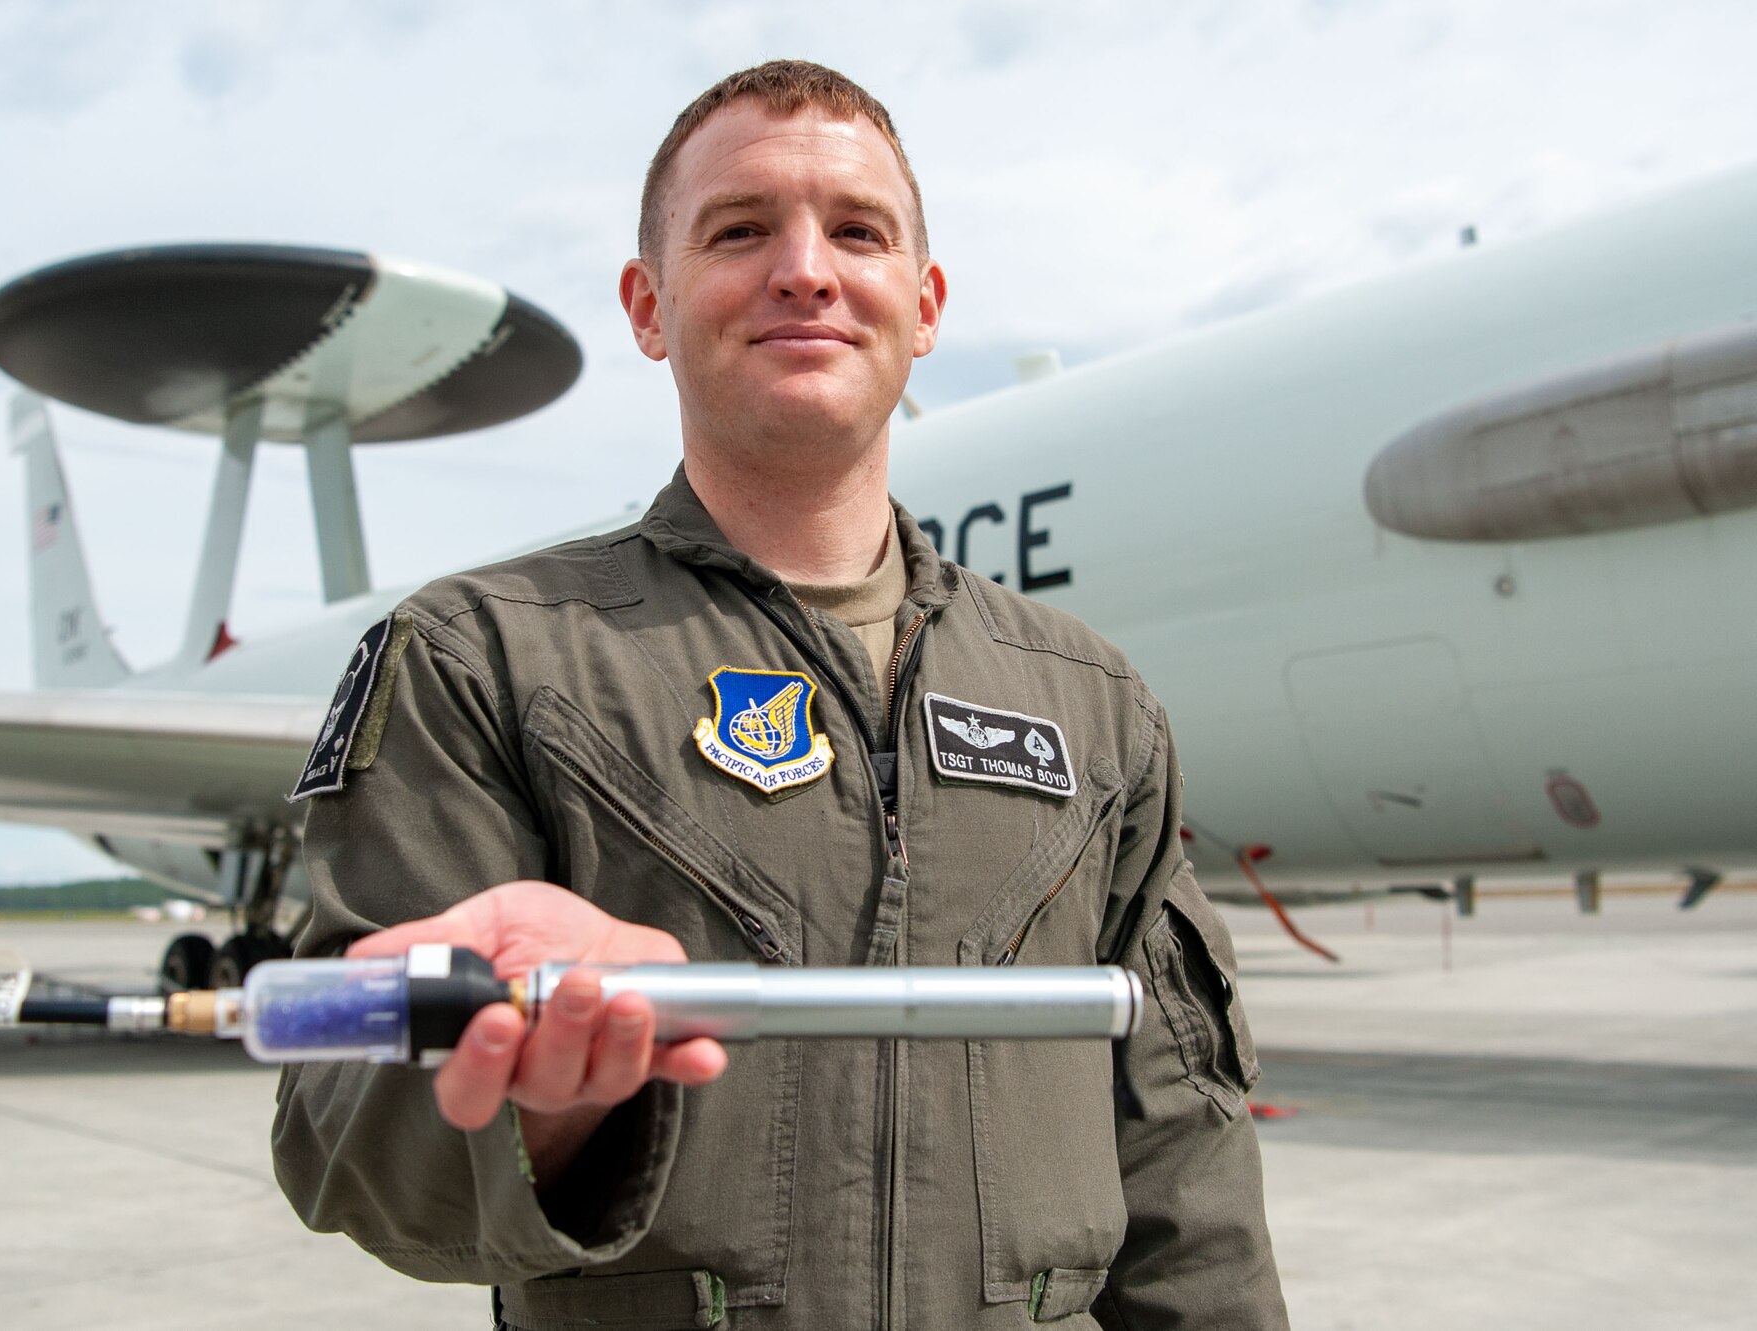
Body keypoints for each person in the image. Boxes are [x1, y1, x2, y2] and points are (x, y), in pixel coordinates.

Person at [273, 59, 1290, 1331]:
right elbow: (339, 1128)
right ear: (650, 305)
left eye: (856, 232)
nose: (805, 269)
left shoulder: (1090, 703)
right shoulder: (479, 657)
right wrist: (555, 1092)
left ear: (922, 307)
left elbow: (1183, 1147)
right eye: (740, 228)